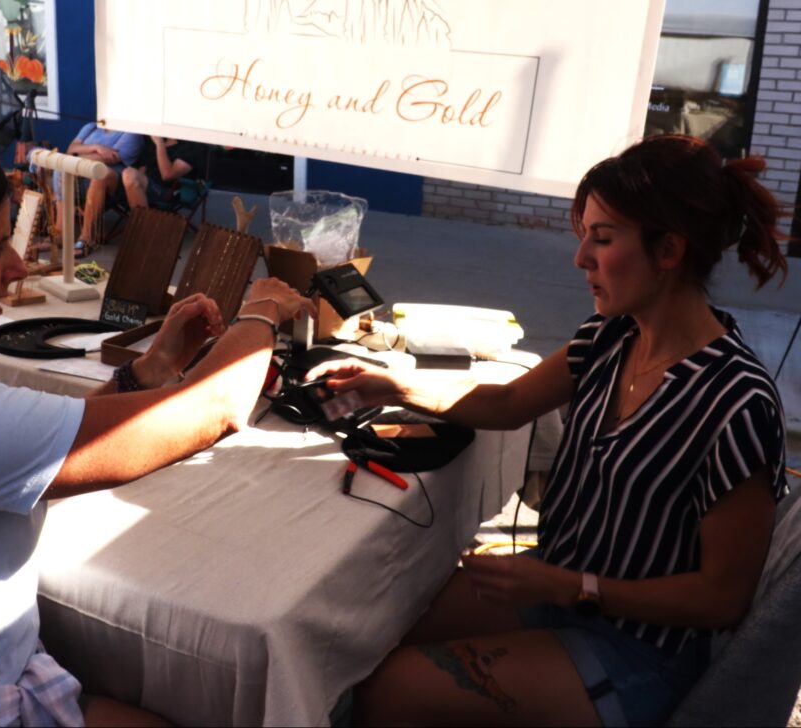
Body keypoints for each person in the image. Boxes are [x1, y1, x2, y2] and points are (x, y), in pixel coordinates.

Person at [0, 118, 314, 727]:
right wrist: (263, 308)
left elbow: (52, 441)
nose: (17, 266)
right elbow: (214, 409)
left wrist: (150, 370)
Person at [306, 134, 789, 727]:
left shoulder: (736, 402)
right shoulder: (612, 336)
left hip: (637, 648)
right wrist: (392, 385)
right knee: (372, 635)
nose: (580, 258)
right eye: (582, 235)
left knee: (392, 690)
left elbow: (723, 598)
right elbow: (509, 401)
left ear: (669, 250)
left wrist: (570, 585)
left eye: (602, 239)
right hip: (560, 590)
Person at [53, 123, 145, 257]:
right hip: (81, 176)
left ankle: (86, 238)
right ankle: (59, 233)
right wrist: (97, 147)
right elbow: (71, 148)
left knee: (101, 173)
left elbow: (108, 159)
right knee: (59, 168)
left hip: (115, 182)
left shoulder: (131, 132)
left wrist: (75, 159)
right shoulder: (91, 127)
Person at [120, 135, 209, 210]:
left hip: (167, 191)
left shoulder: (191, 147)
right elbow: (143, 166)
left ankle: (142, 226)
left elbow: (167, 175)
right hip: (144, 184)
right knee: (108, 173)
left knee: (129, 174)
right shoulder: (155, 141)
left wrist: (159, 144)